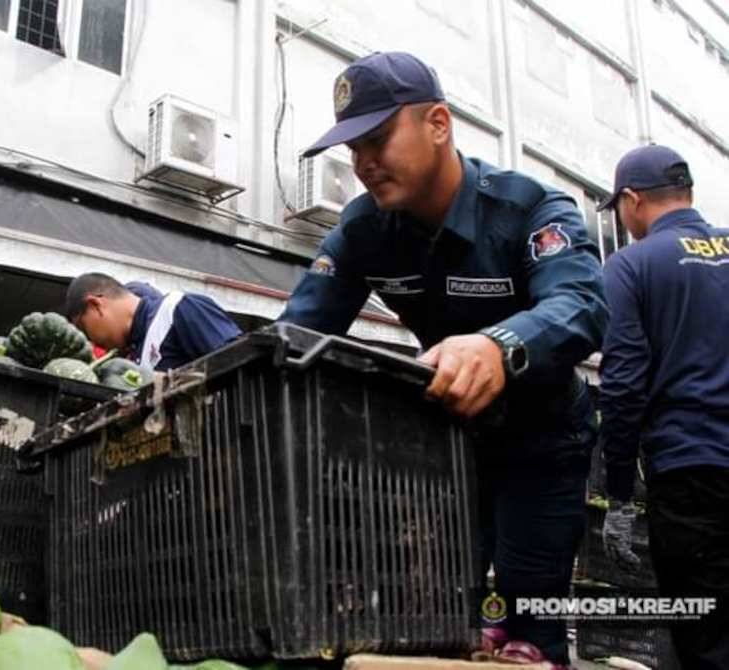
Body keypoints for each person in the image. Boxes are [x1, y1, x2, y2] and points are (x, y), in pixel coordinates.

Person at [278, 51, 607, 667]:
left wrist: (500, 346)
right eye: (353, 148)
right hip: (447, 448)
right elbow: (297, 333)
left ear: (438, 123)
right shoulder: (363, 230)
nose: (364, 163)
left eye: (378, 139)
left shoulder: (531, 209)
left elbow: (582, 303)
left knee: (528, 624)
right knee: (444, 619)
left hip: (543, 440)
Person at [597, 144, 729, 669]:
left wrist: (620, 495)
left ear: (632, 200)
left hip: (691, 474)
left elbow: (623, 385)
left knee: (707, 636)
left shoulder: (631, 266)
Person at [63, 273, 241, 372]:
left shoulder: (178, 308)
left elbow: (239, 362)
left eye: (84, 328)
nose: (92, 342)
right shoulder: (131, 358)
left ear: (95, 305)